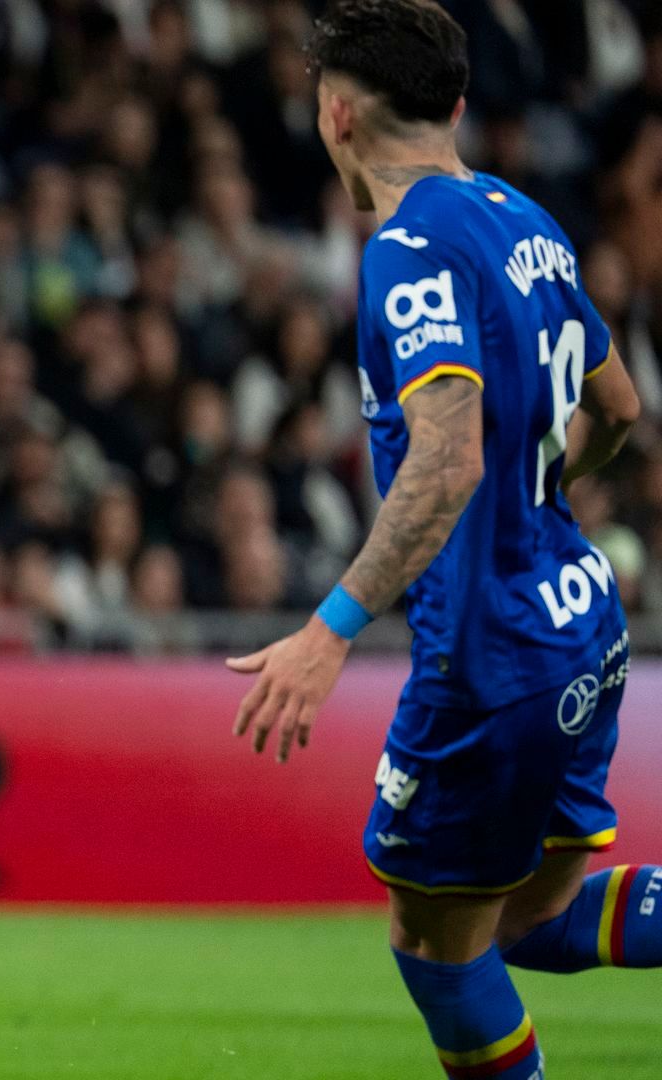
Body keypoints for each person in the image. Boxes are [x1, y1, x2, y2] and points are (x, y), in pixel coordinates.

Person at [227, 3, 656, 1077]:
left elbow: (450, 456)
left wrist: (329, 629)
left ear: (334, 116)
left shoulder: (406, 248)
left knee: (433, 946)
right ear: (456, 105)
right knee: (523, 921)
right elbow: (620, 406)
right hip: (585, 620)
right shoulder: (527, 220)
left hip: (490, 658)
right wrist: (545, 487)